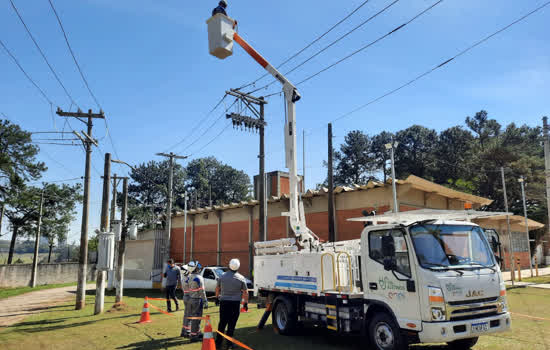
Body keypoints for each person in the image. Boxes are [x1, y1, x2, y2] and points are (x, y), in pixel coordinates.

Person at [215, 258, 249, 349]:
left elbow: (217, 288)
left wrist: (217, 298)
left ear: (229, 265)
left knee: (222, 323)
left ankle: (218, 342)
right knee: (231, 324)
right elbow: (246, 292)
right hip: (235, 304)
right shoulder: (241, 278)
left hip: (224, 303)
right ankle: (229, 344)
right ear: (238, 267)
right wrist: (245, 303)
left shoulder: (222, 276)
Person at [187, 261, 208, 342]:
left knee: (195, 317)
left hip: (191, 299)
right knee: (196, 318)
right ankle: (193, 336)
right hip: (197, 300)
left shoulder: (189, 277)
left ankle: (197, 332)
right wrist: (205, 301)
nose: (199, 268)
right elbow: (202, 291)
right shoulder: (199, 278)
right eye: (197, 267)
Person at [180, 264, 191, 338]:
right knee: (190, 315)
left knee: (186, 315)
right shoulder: (188, 279)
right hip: (189, 297)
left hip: (185, 296)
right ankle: (187, 331)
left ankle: (183, 330)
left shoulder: (183, 278)